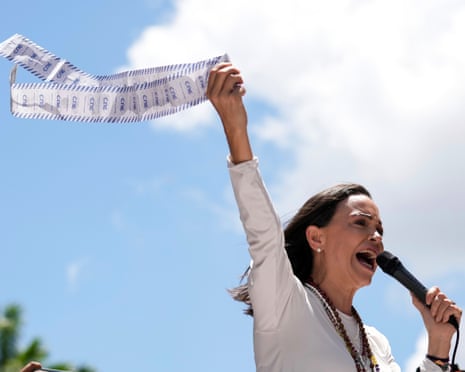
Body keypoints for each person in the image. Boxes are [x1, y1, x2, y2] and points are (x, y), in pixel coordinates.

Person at [206, 62, 463, 372]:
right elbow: (263, 233)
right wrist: (236, 128)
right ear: (317, 237)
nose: (377, 237)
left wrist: (438, 345)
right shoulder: (285, 302)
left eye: (379, 228)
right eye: (361, 222)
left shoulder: (375, 343)